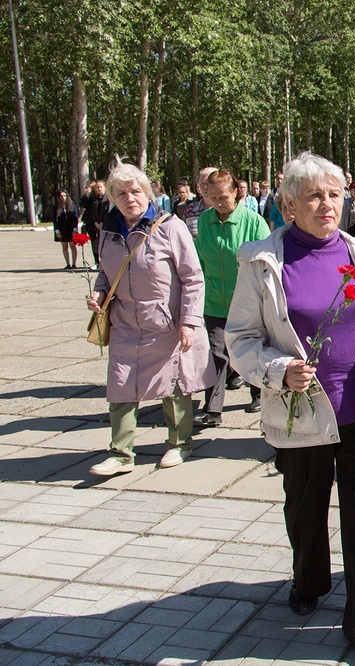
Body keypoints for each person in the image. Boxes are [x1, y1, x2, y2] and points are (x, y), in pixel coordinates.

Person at [225, 152, 355, 666]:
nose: (327, 205)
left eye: (333, 194)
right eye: (313, 195)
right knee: (305, 508)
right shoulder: (262, 263)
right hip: (300, 411)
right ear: (288, 204)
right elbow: (238, 338)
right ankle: (309, 580)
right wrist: (276, 368)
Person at [86, 160, 213, 476]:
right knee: (120, 385)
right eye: (121, 193)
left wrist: (189, 321)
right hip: (126, 323)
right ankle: (121, 453)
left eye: (135, 191)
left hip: (165, 323)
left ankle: (179, 443)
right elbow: (106, 273)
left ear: (147, 192)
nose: (130, 198)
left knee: (174, 386)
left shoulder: (170, 226)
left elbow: (193, 278)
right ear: (113, 199)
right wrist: (99, 295)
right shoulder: (110, 231)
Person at [192, 168, 271, 427]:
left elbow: (265, 262)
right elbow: (199, 261)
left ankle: (258, 393)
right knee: (215, 355)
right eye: (212, 197)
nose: (218, 202)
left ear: (235, 192)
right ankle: (213, 409)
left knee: (250, 351)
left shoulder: (252, 221)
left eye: (223, 197)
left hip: (247, 302)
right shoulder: (204, 221)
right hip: (214, 300)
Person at [179, 167, 218, 237]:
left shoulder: (228, 210)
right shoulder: (189, 210)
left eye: (210, 183)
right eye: (203, 184)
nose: (206, 187)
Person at [81, 180, 110, 268]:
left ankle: (106, 262)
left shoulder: (108, 198)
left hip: (106, 224)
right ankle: (97, 262)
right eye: (97, 187)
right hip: (95, 224)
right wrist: (95, 221)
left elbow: (108, 211)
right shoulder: (94, 199)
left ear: (105, 187)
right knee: (96, 243)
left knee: (106, 244)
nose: (99, 189)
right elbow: (89, 208)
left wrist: (102, 222)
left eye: (101, 187)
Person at [53, 189, 80, 269]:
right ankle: (68, 264)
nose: (63, 198)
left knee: (72, 246)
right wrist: (57, 230)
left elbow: (75, 218)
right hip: (61, 229)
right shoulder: (56, 207)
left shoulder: (72, 206)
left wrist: (75, 229)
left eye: (64, 196)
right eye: (61, 196)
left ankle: (74, 264)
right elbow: (55, 220)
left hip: (71, 228)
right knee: (64, 246)